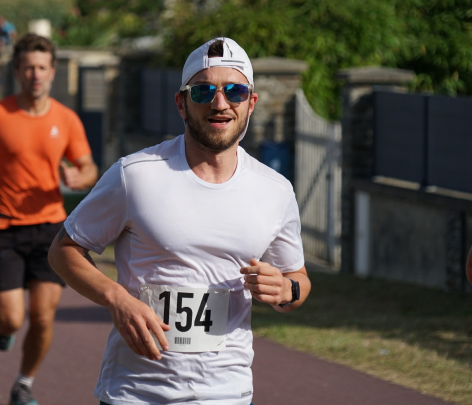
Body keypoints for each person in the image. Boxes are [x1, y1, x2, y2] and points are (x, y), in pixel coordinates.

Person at [48, 37, 311, 405]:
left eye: (234, 91)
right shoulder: (135, 175)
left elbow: (298, 279)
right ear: (181, 103)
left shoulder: (275, 191)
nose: (220, 103)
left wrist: (285, 290)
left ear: (250, 103)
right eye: (203, 91)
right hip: (137, 393)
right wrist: (117, 299)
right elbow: (63, 249)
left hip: (227, 393)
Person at [0, 33, 98, 405]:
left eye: (42, 68)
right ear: (17, 71)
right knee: (11, 320)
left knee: (43, 317)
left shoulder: (66, 119)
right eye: (29, 68)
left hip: (50, 229)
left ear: (52, 72)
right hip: (4, 227)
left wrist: (79, 177)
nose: (36, 75)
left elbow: (89, 167)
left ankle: (24, 383)